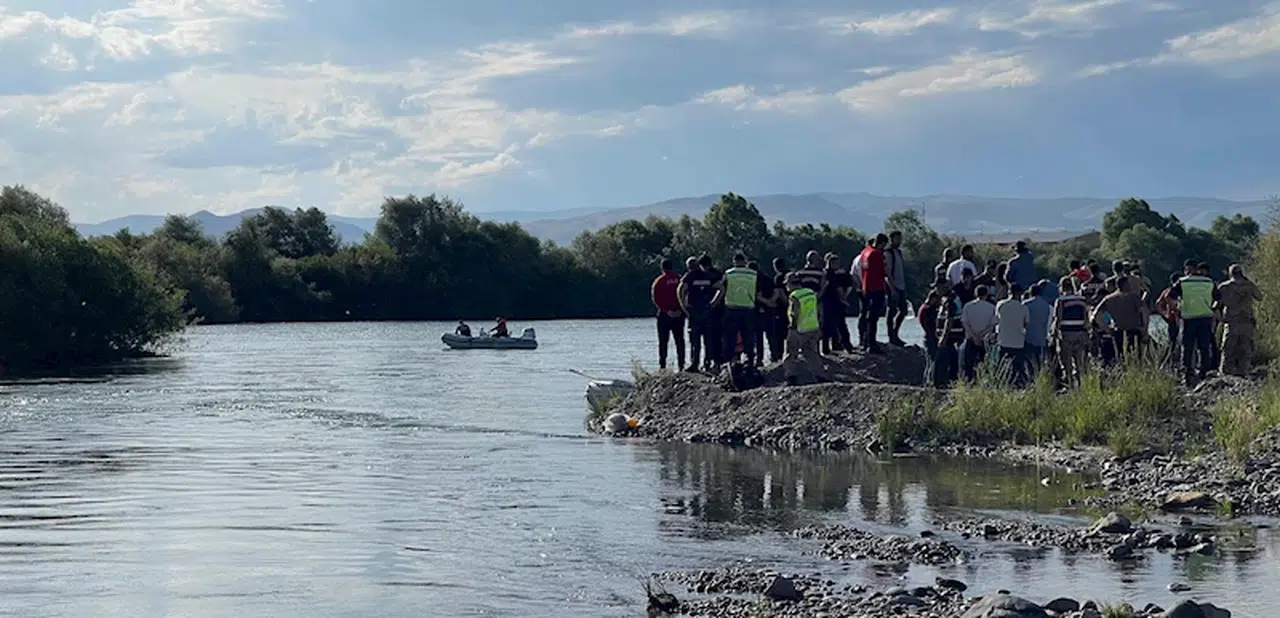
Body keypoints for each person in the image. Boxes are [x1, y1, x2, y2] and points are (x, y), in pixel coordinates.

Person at [1168, 261, 1220, 384]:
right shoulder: (1209, 282)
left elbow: (1170, 296)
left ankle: (1187, 372)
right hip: (1205, 317)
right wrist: (1212, 308)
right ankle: (1204, 372)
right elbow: (1218, 298)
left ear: (1187, 269)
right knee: (1204, 347)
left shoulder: (1183, 282)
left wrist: (1177, 309)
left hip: (1188, 318)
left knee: (1187, 347)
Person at [1216, 264, 1264, 376]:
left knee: (1228, 349)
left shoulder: (1224, 287)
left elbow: (1216, 305)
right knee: (1246, 349)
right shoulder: (1249, 285)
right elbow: (1259, 297)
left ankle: (1225, 373)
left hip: (1231, 322)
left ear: (1230, 273)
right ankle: (1244, 371)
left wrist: (1221, 319)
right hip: (1247, 321)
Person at [713, 253, 758, 366]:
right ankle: (749, 362)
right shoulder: (753, 274)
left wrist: (712, 303)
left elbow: (720, 288)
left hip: (732, 309)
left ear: (734, 261)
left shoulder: (729, 273)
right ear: (745, 261)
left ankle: (729, 362)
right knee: (748, 337)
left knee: (730, 337)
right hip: (748, 308)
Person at [1092, 275, 1147, 361]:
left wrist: (1106, 328)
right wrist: (1144, 328)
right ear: (1125, 284)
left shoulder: (1109, 298)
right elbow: (1144, 312)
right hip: (1134, 330)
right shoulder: (1134, 297)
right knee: (1136, 358)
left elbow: (1095, 314)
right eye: (1128, 284)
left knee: (1121, 357)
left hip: (1118, 332)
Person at [678, 257, 716, 371]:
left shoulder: (689, 277)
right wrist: (713, 303)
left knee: (695, 340)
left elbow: (680, 290)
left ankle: (694, 364)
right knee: (708, 339)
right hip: (706, 310)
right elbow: (721, 288)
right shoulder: (707, 275)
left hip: (694, 311)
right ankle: (707, 363)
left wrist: (683, 306)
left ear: (688, 266)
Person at [784, 276, 823, 385]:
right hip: (813, 327)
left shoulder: (794, 296)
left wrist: (792, 325)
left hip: (799, 328)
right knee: (811, 353)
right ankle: (820, 375)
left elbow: (794, 312)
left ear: (790, 284)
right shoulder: (811, 293)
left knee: (791, 353)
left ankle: (791, 377)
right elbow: (818, 310)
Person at [1052, 277, 1091, 387]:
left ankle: (1069, 384)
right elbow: (1086, 318)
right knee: (1080, 362)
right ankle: (1081, 385)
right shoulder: (1082, 300)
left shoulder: (1061, 300)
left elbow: (1058, 318)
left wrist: (1054, 334)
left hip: (1066, 333)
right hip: (1081, 333)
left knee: (1067, 361)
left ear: (1062, 287)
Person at [651, 258, 686, 370]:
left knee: (663, 341)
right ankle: (681, 365)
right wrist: (681, 310)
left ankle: (662, 366)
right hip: (679, 313)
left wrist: (666, 311)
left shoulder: (659, 281)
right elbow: (685, 294)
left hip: (664, 315)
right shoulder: (679, 279)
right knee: (680, 340)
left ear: (662, 267)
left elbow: (655, 298)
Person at [858, 234, 890, 353]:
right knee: (873, 317)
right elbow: (883, 272)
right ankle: (872, 344)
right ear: (882, 243)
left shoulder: (865, 252)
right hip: (876, 288)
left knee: (867, 315)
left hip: (866, 287)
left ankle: (865, 341)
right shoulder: (876, 254)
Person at [960, 285, 997, 381]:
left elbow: (965, 323)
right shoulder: (992, 307)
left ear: (975, 294)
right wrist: (982, 336)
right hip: (985, 340)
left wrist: (974, 336)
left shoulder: (968, 306)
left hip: (970, 338)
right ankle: (983, 381)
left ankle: (969, 382)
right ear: (986, 294)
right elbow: (992, 326)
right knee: (984, 363)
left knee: (968, 364)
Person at [820, 253, 854, 354]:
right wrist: (844, 298)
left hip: (831, 301)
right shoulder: (835, 273)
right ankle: (844, 345)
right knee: (838, 325)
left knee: (831, 325)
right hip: (833, 301)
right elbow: (847, 287)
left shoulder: (827, 273)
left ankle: (830, 347)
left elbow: (829, 287)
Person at [995, 283, 1029, 385]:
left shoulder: (1001, 305)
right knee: (1017, 367)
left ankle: (1001, 383)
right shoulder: (1023, 308)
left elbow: (996, 320)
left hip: (1003, 340)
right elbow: (1026, 324)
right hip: (1018, 341)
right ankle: (1016, 384)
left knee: (1002, 366)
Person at [935, 281, 967, 388]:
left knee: (942, 360)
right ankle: (951, 382)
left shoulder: (950, 300)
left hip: (951, 337)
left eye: (938, 287)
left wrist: (943, 336)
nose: (936, 290)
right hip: (952, 337)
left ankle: (941, 384)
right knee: (953, 360)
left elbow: (950, 319)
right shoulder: (947, 299)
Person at [699, 254, 724, 368]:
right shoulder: (719, 274)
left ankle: (708, 360)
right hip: (720, 309)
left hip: (708, 310)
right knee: (718, 336)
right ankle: (718, 360)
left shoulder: (703, 275)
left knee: (708, 338)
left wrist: (712, 304)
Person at [1023, 282, 1053, 375]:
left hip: (1028, 337)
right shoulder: (1047, 306)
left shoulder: (1025, 304)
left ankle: (1030, 380)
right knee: (1040, 363)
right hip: (1042, 338)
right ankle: (1039, 379)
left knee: (1029, 362)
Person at [885, 230, 909, 346]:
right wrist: (892, 287)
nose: (900, 241)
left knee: (903, 310)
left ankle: (895, 332)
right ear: (892, 239)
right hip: (892, 286)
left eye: (900, 239)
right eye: (897, 239)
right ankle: (891, 336)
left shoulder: (898, 252)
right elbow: (887, 272)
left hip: (901, 285)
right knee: (891, 311)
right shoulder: (888, 253)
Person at [1155, 272, 1182, 358]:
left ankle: (1172, 359)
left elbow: (1158, 304)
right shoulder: (1176, 291)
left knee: (1172, 341)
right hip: (1180, 317)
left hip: (1171, 318)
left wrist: (1164, 315)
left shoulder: (1166, 290)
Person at [769, 258, 790, 363]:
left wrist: (787, 303)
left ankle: (778, 356)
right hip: (793, 307)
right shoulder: (791, 274)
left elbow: (780, 292)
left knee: (779, 334)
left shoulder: (778, 278)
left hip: (782, 309)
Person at [918, 290, 942, 384]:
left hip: (927, 337)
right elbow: (930, 324)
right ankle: (930, 381)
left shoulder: (923, 308)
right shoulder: (928, 310)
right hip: (930, 337)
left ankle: (927, 382)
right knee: (933, 361)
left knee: (929, 361)